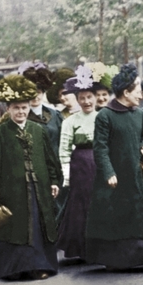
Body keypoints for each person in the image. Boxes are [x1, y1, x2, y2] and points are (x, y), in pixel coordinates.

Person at [84, 65, 143, 272]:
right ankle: (117, 261)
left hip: (138, 175)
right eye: (137, 91)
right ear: (125, 93)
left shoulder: (140, 114)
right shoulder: (105, 116)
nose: (141, 95)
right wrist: (109, 173)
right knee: (119, 218)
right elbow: (100, 148)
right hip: (116, 178)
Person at [0, 75, 62, 280]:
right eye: (16, 108)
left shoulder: (38, 130)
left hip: (38, 189)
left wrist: (53, 181)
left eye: (24, 108)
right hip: (11, 192)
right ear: (8, 109)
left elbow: (50, 160)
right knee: (15, 228)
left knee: (37, 226)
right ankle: (14, 268)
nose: (21, 112)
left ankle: (39, 265)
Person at [56, 65, 99, 262]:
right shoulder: (71, 121)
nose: (86, 101)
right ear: (77, 100)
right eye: (82, 98)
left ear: (96, 97)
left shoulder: (104, 117)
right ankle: (82, 248)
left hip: (101, 162)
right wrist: (66, 171)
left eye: (89, 97)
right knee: (82, 205)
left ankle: (102, 246)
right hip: (81, 165)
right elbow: (64, 148)